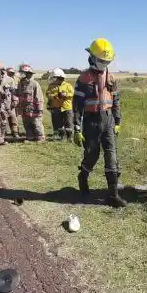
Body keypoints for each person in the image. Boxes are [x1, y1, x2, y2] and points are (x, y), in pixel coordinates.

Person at [73, 38, 126, 207]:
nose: (104, 64)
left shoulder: (111, 78)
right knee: (92, 155)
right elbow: (76, 107)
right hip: (91, 122)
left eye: (107, 61)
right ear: (92, 57)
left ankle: (113, 195)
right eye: (102, 60)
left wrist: (117, 121)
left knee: (112, 156)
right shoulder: (83, 79)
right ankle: (83, 177)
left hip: (108, 120)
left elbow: (116, 100)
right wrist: (76, 128)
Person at [15, 64, 45, 142]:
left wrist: (40, 109)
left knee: (36, 123)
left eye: (23, 73)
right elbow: (19, 94)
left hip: (34, 108)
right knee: (26, 123)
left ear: (29, 73)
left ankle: (40, 137)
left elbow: (39, 97)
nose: (22, 75)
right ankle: (30, 137)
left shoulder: (35, 84)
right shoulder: (21, 83)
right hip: (24, 108)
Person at [46, 68, 75, 141]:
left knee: (68, 122)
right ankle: (61, 136)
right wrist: (54, 97)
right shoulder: (51, 85)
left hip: (67, 107)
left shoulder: (68, 85)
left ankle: (70, 137)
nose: (56, 80)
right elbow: (48, 94)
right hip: (55, 107)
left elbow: (73, 94)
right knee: (57, 122)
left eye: (56, 78)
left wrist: (66, 94)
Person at [3, 67, 20, 138]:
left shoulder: (13, 80)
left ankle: (15, 132)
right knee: (3, 119)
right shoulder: (2, 79)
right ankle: (4, 133)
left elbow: (15, 92)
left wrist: (15, 100)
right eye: (9, 73)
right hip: (2, 103)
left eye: (12, 73)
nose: (11, 74)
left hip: (11, 103)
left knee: (13, 118)